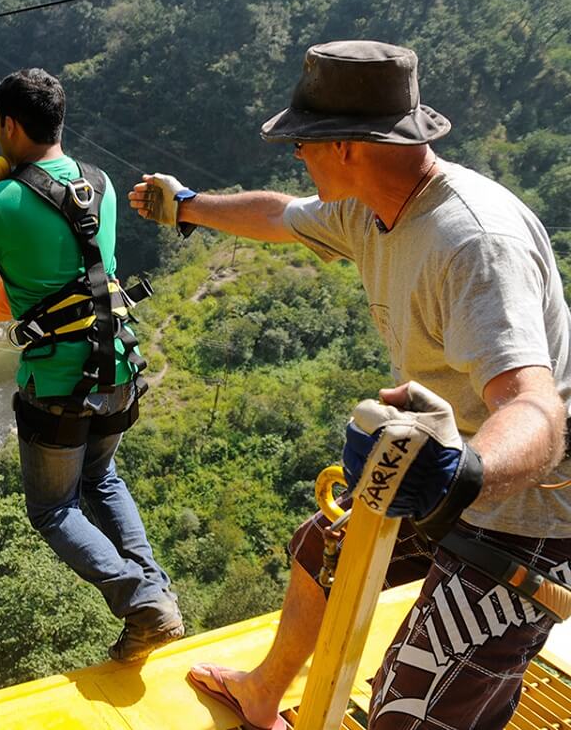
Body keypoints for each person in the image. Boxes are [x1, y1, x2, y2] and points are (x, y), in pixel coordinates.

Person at [129, 40, 571, 729]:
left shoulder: (474, 243)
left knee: (408, 704)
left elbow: (535, 406)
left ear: (345, 146)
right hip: (448, 468)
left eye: (302, 144)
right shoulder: (372, 207)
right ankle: (263, 694)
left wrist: (460, 475)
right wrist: (186, 206)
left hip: (531, 511)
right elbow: (278, 215)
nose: (298, 157)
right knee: (323, 549)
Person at [0, 67, 184, 662]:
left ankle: (140, 601)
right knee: (101, 480)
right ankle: (157, 597)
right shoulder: (98, 184)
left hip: (58, 383)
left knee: (53, 509)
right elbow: (75, 276)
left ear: (8, 125)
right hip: (119, 365)